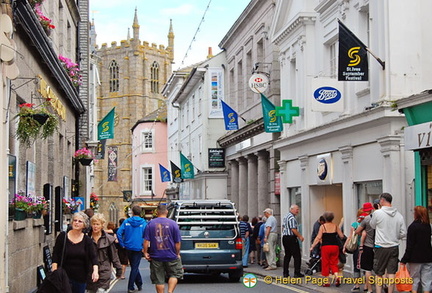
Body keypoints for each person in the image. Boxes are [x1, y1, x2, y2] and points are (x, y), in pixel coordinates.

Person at [51, 211, 99, 293]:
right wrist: (54, 271)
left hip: (80, 278)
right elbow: (55, 254)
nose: (76, 223)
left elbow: (93, 257)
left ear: (84, 225)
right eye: (75, 220)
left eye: (80, 221)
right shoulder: (63, 236)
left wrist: (95, 271)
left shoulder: (87, 240)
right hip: (63, 276)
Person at [369, 192, 406, 293]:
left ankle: (378, 291)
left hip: (380, 246)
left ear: (382, 200)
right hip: (394, 246)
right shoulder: (399, 215)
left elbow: (372, 225)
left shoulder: (377, 213)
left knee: (379, 272)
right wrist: (395, 236)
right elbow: (403, 233)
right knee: (391, 272)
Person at [144, 204, 183, 293]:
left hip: (156, 255)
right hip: (171, 255)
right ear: (167, 212)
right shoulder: (173, 224)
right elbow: (177, 242)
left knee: (159, 279)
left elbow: (146, 241)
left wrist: (145, 253)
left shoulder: (150, 223)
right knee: (174, 274)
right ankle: (170, 292)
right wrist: (177, 253)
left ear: (157, 212)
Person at [87, 213, 122, 293]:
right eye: (93, 224)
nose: (95, 226)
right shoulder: (87, 238)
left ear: (102, 225)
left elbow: (114, 256)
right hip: (90, 272)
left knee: (100, 291)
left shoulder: (108, 239)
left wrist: (118, 269)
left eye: (97, 224)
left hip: (104, 271)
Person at [401, 206, 432, 293]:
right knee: (427, 281)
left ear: (416, 214)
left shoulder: (413, 227)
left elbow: (410, 245)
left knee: (414, 279)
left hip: (415, 258)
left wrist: (404, 259)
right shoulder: (428, 226)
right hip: (428, 257)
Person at [117, 205, 148, 293]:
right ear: (140, 212)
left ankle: (139, 283)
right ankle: (130, 287)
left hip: (128, 246)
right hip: (138, 247)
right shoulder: (144, 223)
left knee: (134, 266)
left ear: (132, 212)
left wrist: (122, 243)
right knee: (135, 266)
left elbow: (119, 233)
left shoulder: (126, 221)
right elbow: (146, 236)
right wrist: (145, 246)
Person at [310, 211, 345, 287]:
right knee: (334, 263)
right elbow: (341, 236)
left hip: (325, 247)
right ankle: (337, 277)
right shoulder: (335, 226)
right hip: (335, 247)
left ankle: (326, 282)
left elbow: (318, 238)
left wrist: (312, 246)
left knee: (325, 264)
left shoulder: (323, 227)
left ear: (325, 218)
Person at [343, 205, 370, 292]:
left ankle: (357, 285)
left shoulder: (355, 224)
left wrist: (345, 246)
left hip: (357, 248)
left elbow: (350, 237)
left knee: (356, 266)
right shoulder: (369, 224)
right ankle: (366, 286)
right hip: (367, 247)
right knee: (367, 267)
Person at [355, 202, 376, 293]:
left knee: (368, 269)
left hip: (367, 246)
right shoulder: (378, 218)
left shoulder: (366, 219)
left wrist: (363, 234)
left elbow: (357, 231)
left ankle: (369, 289)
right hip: (379, 245)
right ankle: (385, 285)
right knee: (381, 269)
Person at [282, 204, 304, 278]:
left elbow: (283, 227)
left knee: (287, 255)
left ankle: (285, 273)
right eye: (296, 209)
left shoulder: (286, 216)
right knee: (297, 255)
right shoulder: (291, 218)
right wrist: (300, 236)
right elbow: (293, 229)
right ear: (291, 209)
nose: (298, 211)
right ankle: (297, 273)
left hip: (285, 237)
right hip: (291, 238)